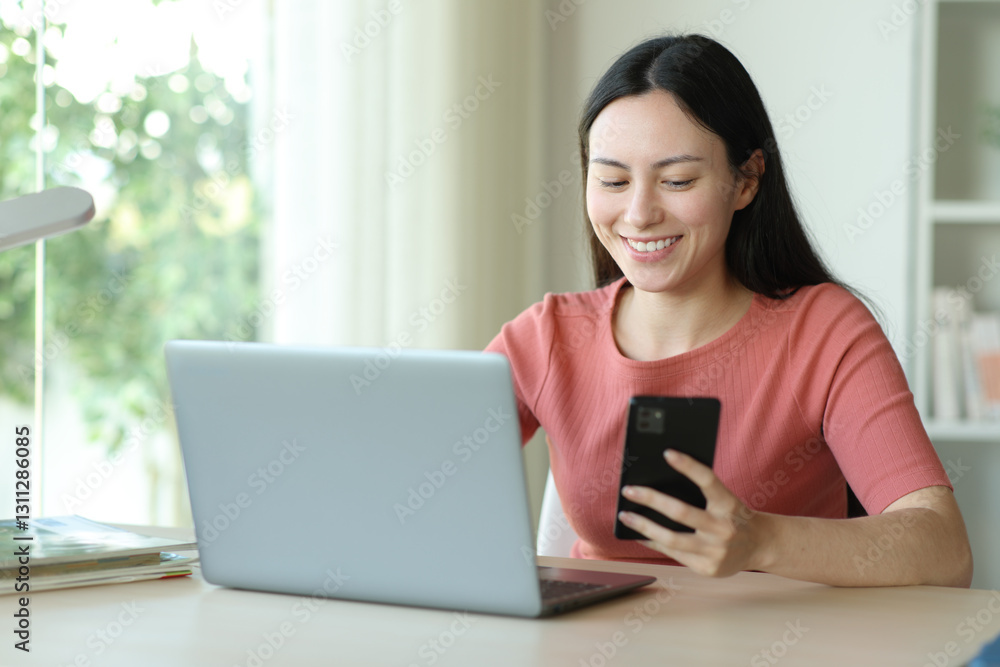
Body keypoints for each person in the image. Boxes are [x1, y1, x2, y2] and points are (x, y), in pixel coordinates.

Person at [485, 34, 973, 587]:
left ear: (746, 180)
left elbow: (945, 550)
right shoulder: (547, 337)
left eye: (677, 180)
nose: (639, 213)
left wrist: (760, 539)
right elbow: (413, 476)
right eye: (613, 181)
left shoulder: (824, 333)